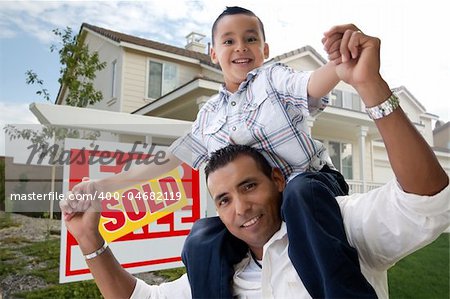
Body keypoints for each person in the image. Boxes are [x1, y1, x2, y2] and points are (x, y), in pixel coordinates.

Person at [61, 20, 450, 298]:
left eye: (251, 38)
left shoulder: (273, 79)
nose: (241, 46)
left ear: (265, 50)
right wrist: (101, 186)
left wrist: (344, 68)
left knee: (299, 194)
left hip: (311, 186)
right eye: (228, 41)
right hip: (273, 197)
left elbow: (310, 84)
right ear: (213, 54)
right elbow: (167, 160)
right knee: (201, 237)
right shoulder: (209, 115)